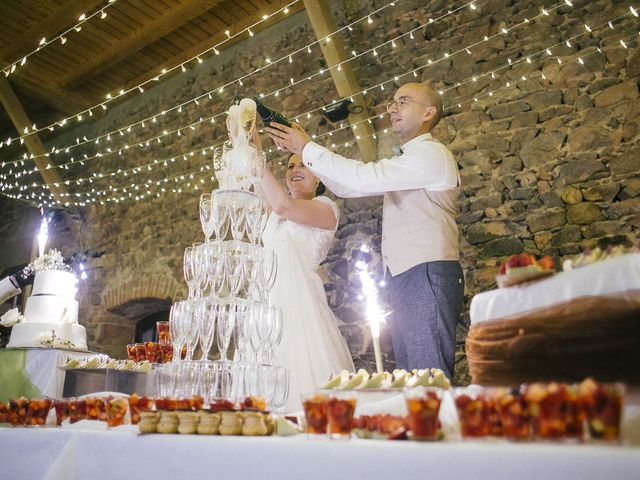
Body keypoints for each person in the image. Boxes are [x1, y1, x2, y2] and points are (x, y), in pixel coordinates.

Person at [265, 82, 463, 379]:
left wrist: (306, 147)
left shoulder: (432, 155)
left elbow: (362, 179)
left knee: (429, 375)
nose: (392, 107)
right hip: (404, 275)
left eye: (404, 101)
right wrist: (304, 152)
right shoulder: (408, 158)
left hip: (426, 272)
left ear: (429, 113)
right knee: (412, 379)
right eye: (392, 102)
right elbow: (348, 186)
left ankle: (440, 426)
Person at [257, 149, 355, 412]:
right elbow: (265, 197)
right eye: (290, 166)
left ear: (319, 178)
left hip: (301, 309)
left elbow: (281, 204)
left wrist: (258, 158)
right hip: (269, 306)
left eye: (304, 165)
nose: (295, 170)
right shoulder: (274, 214)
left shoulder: (326, 209)